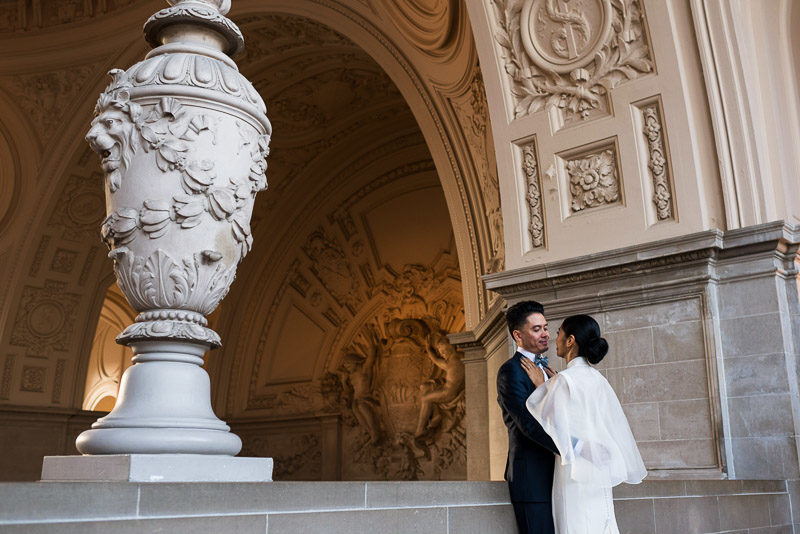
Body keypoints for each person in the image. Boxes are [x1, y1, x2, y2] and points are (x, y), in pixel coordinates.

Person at [521, 314, 646, 534]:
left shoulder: (563, 380)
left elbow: (552, 426)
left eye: (558, 333)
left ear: (570, 340)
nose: (554, 338)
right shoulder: (598, 379)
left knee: (575, 524)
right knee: (599, 521)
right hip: (599, 467)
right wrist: (553, 386)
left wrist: (543, 387)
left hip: (575, 469)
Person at [497, 301, 560, 534]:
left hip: (556, 477)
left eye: (545, 327)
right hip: (531, 478)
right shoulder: (510, 371)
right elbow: (527, 424)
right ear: (518, 335)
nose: (545, 334)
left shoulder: (548, 370)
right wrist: (570, 448)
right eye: (536, 329)